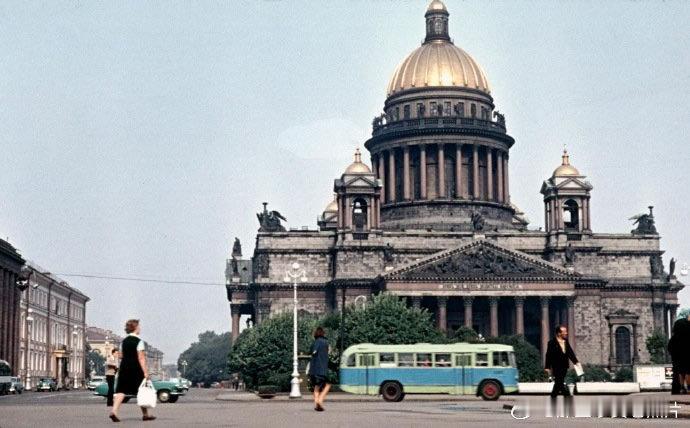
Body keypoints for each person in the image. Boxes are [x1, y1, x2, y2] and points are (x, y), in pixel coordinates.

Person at [109, 319, 155, 422]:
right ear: (135, 328)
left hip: (124, 368)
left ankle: (114, 411)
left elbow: (121, 355)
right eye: (139, 326)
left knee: (121, 391)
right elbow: (141, 358)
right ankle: (145, 415)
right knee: (141, 391)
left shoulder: (123, 342)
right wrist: (145, 372)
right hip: (136, 368)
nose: (140, 328)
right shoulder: (139, 341)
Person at [544, 325, 579, 412]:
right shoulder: (551, 343)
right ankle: (567, 398)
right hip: (556, 366)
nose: (566, 333)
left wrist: (576, 362)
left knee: (558, 383)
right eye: (564, 332)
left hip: (564, 366)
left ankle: (553, 399)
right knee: (559, 382)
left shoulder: (565, 342)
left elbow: (570, 353)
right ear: (559, 333)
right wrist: (547, 367)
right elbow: (548, 355)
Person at [308, 326, 331, 412]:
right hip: (322, 370)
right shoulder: (325, 342)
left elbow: (312, 352)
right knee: (328, 385)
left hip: (313, 370)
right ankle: (319, 401)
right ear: (323, 333)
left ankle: (317, 403)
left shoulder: (314, 342)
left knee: (316, 387)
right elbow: (328, 352)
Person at [669, 315, 690, 394]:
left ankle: (682, 388)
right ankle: (688, 388)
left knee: (680, 372)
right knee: (687, 372)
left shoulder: (674, 338)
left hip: (677, 359)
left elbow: (670, 348)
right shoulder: (687, 338)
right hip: (687, 357)